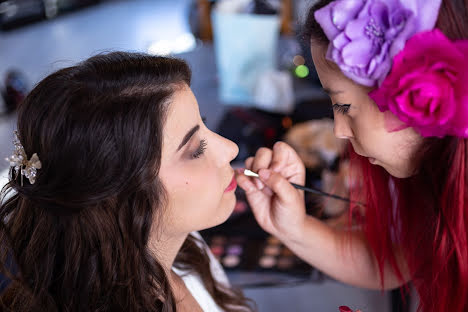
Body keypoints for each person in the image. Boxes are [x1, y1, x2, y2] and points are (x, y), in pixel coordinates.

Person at [236, 0, 468, 311]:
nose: (339, 131)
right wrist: (291, 227)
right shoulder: (432, 186)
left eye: (343, 107)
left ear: (421, 92)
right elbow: (396, 261)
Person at [0, 52, 255, 312]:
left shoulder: (188, 249)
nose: (231, 149)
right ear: (119, 196)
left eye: (205, 125)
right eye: (195, 150)